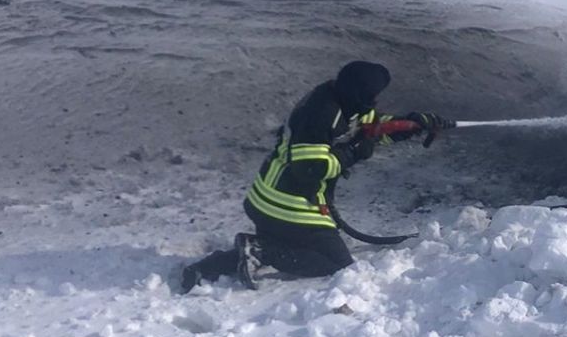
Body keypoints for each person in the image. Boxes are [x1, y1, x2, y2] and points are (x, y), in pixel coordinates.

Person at [181, 61, 447, 293]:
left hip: (273, 201)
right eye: (373, 96)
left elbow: (371, 127)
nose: (375, 102)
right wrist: (354, 153)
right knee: (335, 262)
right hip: (285, 203)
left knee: (289, 247)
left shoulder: (348, 101)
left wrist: (413, 124)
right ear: (360, 93)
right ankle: (260, 250)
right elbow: (311, 168)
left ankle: (220, 263)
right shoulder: (321, 113)